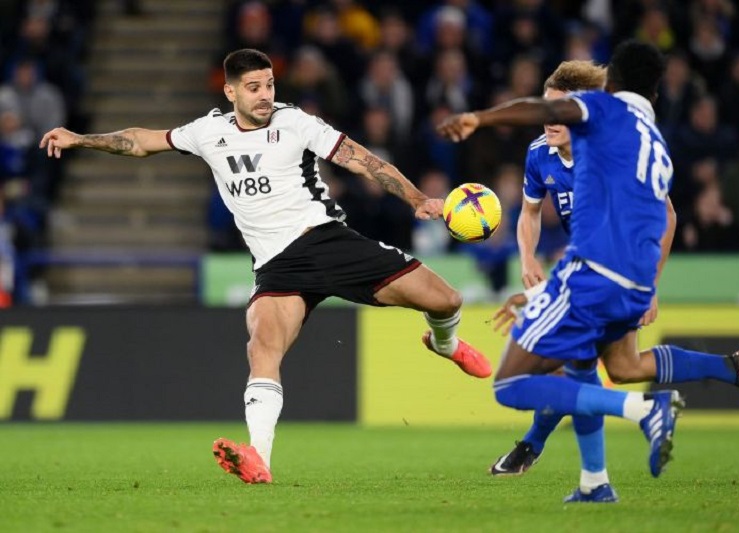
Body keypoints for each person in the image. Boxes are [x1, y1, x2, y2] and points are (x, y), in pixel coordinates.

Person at [39, 49, 493, 485]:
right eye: (253, 87)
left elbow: (363, 160)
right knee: (262, 348)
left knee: (446, 300)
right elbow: (141, 142)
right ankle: (259, 457)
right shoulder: (207, 132)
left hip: (328, 241)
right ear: (230, 92)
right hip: (277, 265)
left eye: (270, 84)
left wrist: (415, 198)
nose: (265, 94)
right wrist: (80, 139)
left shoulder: (295, 122)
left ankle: (445, 343)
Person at [437, 40, 739, 499]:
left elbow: (668, 215)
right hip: (618, 274)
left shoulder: (605, 119)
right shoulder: (644, 138)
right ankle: (597, 480)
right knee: (617, 363)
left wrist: (481, 118)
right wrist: (534, 262)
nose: (552, 119)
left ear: (599, 97)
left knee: (516, 382)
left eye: (563, 110)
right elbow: (535, 212)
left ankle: (632, 414)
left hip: (595, 273)